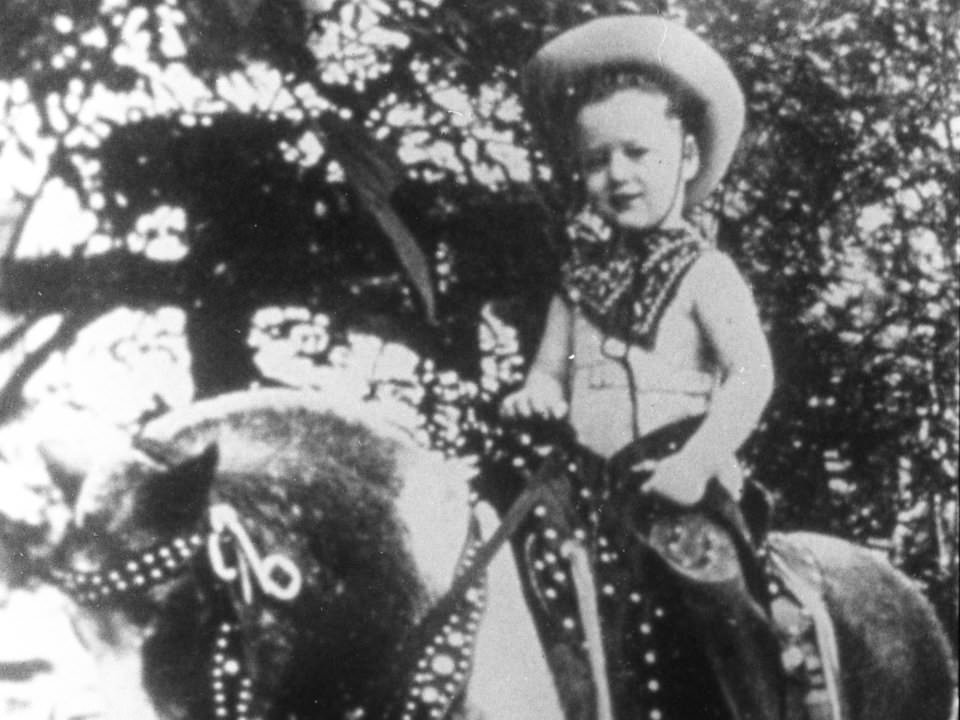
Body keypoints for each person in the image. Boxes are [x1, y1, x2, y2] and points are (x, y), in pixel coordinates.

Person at [499, 15, 805, 720]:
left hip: (676, 484)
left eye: (637, 152)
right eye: (596, 160)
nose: (617, 175)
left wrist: (694, 463)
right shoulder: (579, 283)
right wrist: (534, 393)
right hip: (581, 485)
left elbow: (752, 377)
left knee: (714, 594)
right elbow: (548, 370)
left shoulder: (706, 273)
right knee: (503, 563)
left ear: (688, 156)